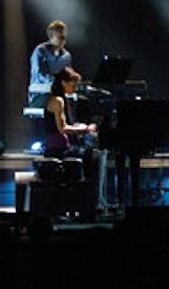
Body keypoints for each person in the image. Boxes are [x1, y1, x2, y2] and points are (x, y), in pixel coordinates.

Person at [44, 66, 110, 211]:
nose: (75, 88)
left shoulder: (62, 100)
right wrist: (86, 128)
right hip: (57, 148)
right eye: (73, 84)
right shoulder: (57, 101)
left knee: (94, 153)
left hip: (64, 145)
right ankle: (95, 201)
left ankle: (91, 199)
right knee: (97, 156)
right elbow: (62, 129)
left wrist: (79, 126)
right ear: (63, 83)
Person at [28, 20, 73, 107]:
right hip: (40, 94)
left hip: (59, 92)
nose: (63, 40)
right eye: (60, 37)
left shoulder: (66, 56)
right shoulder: (40, 51)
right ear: (51, 36)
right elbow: (38, 73)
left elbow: (68, 75)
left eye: (64, 37)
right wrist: (54, 81)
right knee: (59, 104)